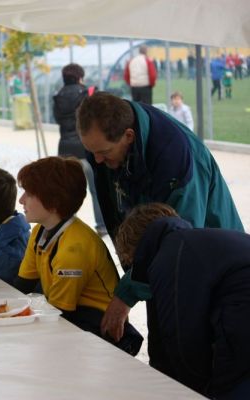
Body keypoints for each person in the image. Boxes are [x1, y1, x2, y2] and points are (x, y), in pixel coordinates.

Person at [75, 92, 243, 373]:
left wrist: (126, 292)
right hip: (160, 260)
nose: (97, 161)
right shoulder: (108, 145)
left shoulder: (176, 158)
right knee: (163, 354)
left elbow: (181, 246)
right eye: (91, 153)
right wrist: (133, 267)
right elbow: (118, 211)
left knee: (196, 360)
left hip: (211, 270)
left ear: (128, 136)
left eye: (103, 153)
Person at [114, 203, 250, 399]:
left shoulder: (169, 257)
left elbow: (181, 339)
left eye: (129, 262)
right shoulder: (192, 242)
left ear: (135, 249)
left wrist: (195, 390)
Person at [13, 157, 142, 356]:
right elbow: (21, 287)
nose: (21, 200)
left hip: (96, 327)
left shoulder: (74, 248)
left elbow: (58, 315)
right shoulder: (40, 231)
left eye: (29, 194)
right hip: (69, 316)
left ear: (53, 202)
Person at [52, 63, 106, 235]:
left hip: (65, 149)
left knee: (67, 190)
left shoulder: (57, 97)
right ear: (80, 77)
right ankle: (102, 225)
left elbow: (58, 120)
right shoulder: (88, 93)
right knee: (97, 189)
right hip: (87, 149)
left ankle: (66, 224)